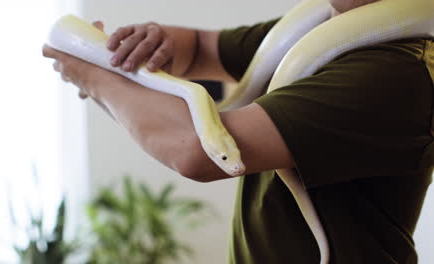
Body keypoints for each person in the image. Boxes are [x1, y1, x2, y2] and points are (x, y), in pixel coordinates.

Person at [43, 0, 434, 262]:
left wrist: (96, 77)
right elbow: (199, 49)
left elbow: (197, 151)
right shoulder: (322, 25)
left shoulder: (398, 71)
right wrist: (152, 45)